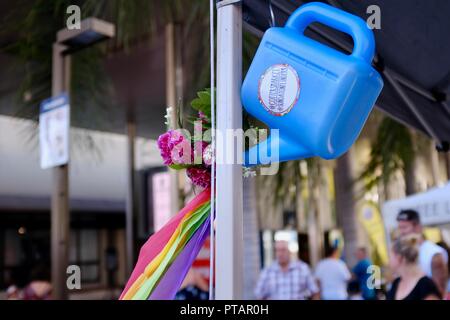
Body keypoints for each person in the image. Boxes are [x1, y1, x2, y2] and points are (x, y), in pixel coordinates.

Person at [396, 209, 448, 295]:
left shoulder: (434, 253)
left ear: (418, 227)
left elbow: (440, 291)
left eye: (404, 227)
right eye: (399, 228)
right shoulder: (400, 254)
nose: (401, 232)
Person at [254, 240, 319, 300]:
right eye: (277, 250)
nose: (280, 253)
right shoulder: (267, 271)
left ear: (289, 251)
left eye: (283, 250)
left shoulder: (302, 268)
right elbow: (258, 295)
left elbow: (315, 292)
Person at [386, 234, 441, 300]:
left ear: (399, 258)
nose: (388, 262)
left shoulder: (425, 285)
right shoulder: (396, 283)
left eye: (390, 257)